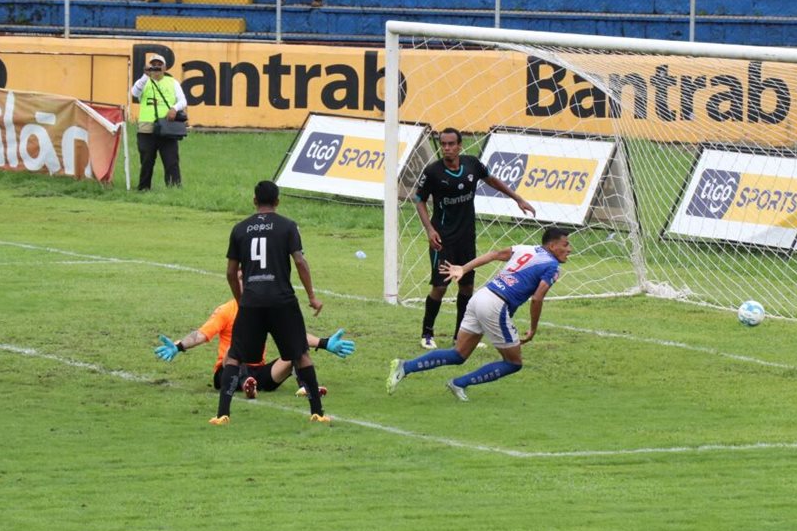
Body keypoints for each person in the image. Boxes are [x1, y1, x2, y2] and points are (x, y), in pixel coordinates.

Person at [387, 227, 572, 401]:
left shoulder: (526, 249)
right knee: (514, 363)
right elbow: (538, 298)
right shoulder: (552, 266)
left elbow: (494, 254)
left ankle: (406, 366)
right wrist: (533, 329)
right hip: (496, 305)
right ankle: (459, 383)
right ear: (552, 246)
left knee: (459, 354)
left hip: (481, 296)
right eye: (565, 245)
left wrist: (463, 268)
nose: (569, 249)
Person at [211, 181, 327, 425]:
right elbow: (300, 262)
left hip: (252, 301)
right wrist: (312, 297)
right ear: (277, 201)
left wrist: (242, 301)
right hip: (282, 300)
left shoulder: (240, 229)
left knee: (234, 356)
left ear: (254, 201)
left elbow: (231, 273)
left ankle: (223, 414)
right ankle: (317, 412)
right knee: (300, 354)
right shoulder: (287, 227)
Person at [413, 127, 535, 350]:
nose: (447, 148)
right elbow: (419, 199)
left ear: (460, 145)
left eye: (451, 144)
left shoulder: (472, 164)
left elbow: (492, 180)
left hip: (466, 238)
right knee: (440, 288)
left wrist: (518, 198)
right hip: (443, 239)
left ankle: (459, 336)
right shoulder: (433, 172)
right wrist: (430, 230)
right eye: (443, 144)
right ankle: (427, 333)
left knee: (467, 288)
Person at [152, 298, 354, 398]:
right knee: (234, 348)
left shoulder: (265, 309)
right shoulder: (227, 310)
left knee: (295, 347)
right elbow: (201, 334)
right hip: (227, 369)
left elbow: (292, 334)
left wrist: (325, 343)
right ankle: (245, 382)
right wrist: (178, 346)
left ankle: (306, 386)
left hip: (259, 370)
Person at [129, 53, 187, 190]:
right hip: (146, 128)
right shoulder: (143, 82)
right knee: (146, 160)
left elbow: (183, 100)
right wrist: (145, 76)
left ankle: (174, 188)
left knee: (171, 160)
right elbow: (134, 93)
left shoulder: (172, 82)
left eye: (159, 65)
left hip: (167, 128)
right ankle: (144, 188)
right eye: (153, 65)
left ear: (165, 67)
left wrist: (174, 108)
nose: (156, 67)